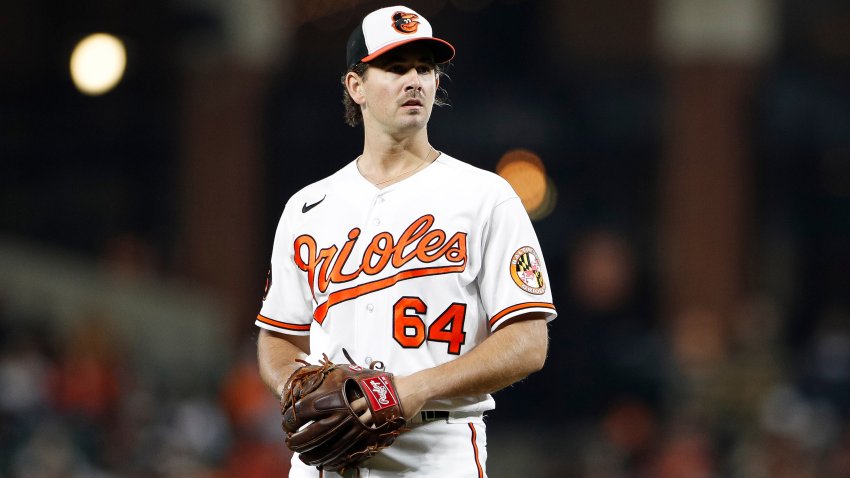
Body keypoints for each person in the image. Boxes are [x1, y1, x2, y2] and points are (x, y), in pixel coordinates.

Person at [255, 5, 557, 477]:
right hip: (326, 455)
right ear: (356, 86)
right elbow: (278, 334)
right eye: (395, 68)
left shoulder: (485, 196)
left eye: (425, 68)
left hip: (436, 444)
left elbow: (528, 342)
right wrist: (298, 384)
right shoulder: (307, 207)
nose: (414, 80)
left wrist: (413, 388)